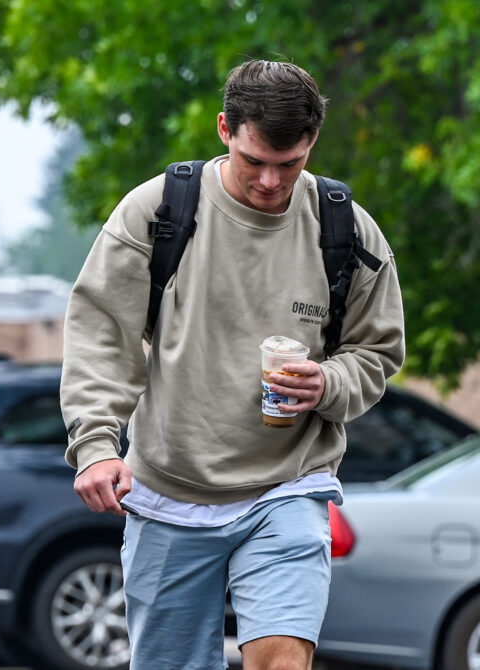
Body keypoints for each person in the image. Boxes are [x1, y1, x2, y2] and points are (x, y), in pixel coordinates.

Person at [60, 61, 404, 669]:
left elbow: (377, 352)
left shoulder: (345, 228)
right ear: (225, 128)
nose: (271, 182)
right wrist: (96, 446)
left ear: (311, 146)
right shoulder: (159, 211)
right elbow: (99, 336)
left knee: (281, 658)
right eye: (254, 161)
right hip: (168, 489)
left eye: (289, 163)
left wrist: (329, 382)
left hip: (288, 486)